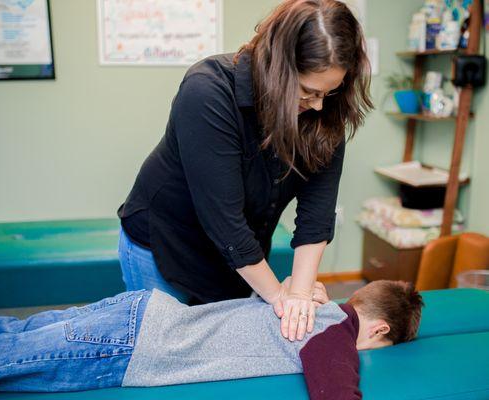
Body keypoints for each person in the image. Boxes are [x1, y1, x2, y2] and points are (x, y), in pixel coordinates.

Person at [117, 0, 374, 343]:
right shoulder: (207, 90)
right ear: (278, 69)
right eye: (309, 92)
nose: (318, 104)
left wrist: (299, 294)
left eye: (330, 91)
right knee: (164, 354)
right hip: (165, 244)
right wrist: (280, 297)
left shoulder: (323, 113)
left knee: (223, 352)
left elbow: (316, 215)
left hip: (240, 257)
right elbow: (224, 221)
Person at [0, 280, 423, 399]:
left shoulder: (310, 298)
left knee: (4, 333)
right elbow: (337, 393)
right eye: (378, 348)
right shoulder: (332, 334)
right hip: (138, 345)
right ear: (378, 330)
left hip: (143, 310)